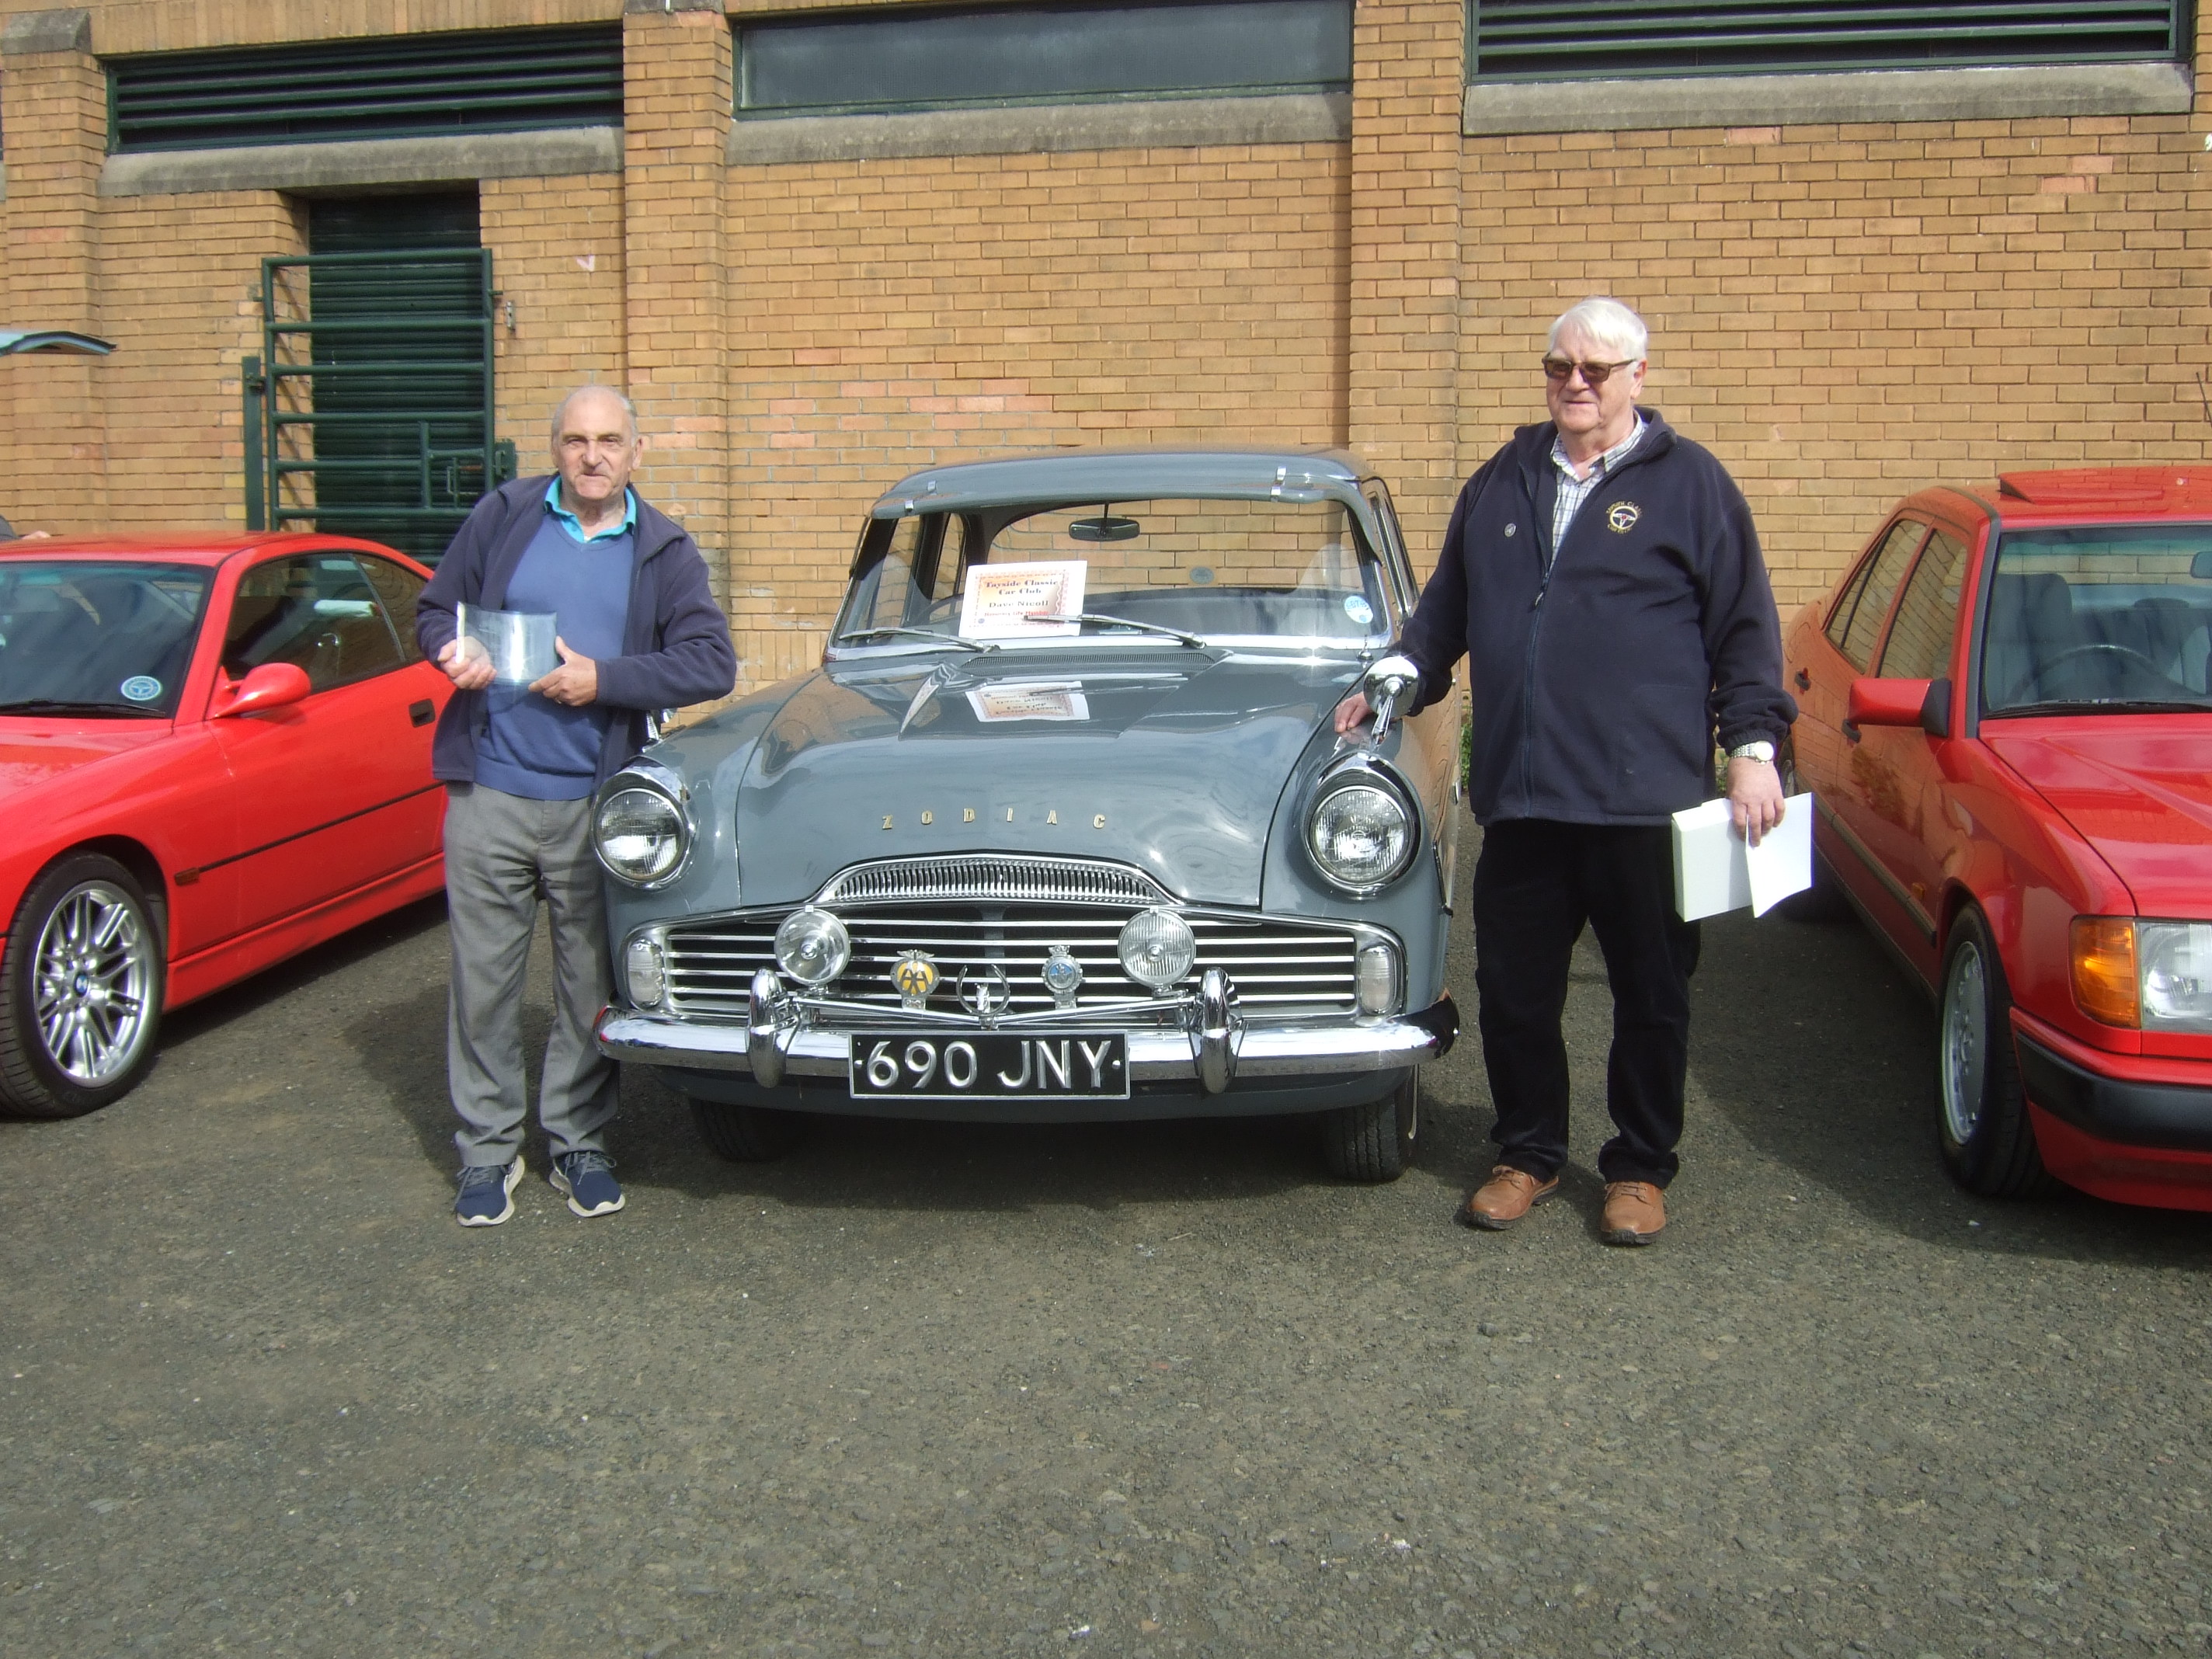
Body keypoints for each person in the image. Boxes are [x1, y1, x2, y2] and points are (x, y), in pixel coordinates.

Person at [1335, 297, 1794, 1246]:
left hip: (1644, 808)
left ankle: (1638, 1167)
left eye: (1594, 369)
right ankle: (1528, 1153)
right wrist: (1393, 677)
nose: (1573, 383)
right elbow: (1442, 615)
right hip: (1526, 800)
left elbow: (1744, 631)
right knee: (1515, 994)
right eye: (1559, 367)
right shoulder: (1500, 482)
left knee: (1652, 1000)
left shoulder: (1693, 486)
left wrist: (1753, 750)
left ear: (1637, 376)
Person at [418, 385, 737, 1226]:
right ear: (555, 447)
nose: (591, 456)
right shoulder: (504, 516)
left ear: (636, 452)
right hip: (489, 792)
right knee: (482, 986)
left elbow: (711, 662)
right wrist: (451, 648)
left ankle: (577, 1141)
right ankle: (487, 1153)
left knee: (588, 986)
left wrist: (606, 679)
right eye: (575, 440)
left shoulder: (663, 548)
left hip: (595, 806)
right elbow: (434, 611)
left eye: (608, 441)